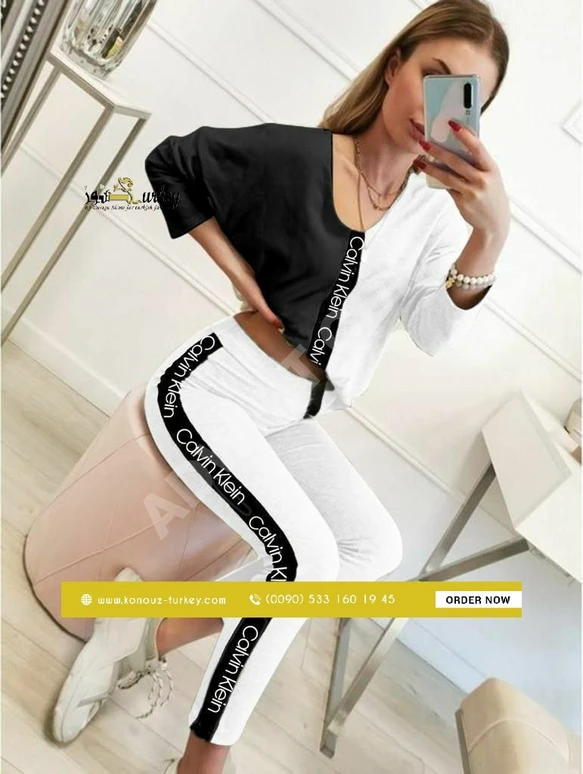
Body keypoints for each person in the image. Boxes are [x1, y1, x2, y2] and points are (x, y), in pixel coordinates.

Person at [51, 0, 511, 771]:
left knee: (372, 547)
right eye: (432, 74)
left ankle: (150, 631)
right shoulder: (301, 157)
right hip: (212, 390)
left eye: (464, 97)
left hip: (291, 417)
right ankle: (202, 762)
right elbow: (170, 164)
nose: (437, 104)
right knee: (306, 559)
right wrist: (236, 271)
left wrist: (487, 236)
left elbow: (433, 332)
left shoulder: (437, 219)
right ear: (394, 65)